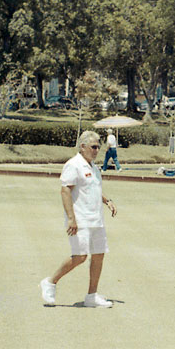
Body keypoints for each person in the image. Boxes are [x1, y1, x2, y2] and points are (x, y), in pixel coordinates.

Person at [41, 130, 117, 307]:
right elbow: (65, 190)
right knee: (80, 257)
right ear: (82, 147)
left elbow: (94, 189)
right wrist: (71, 219)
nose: (97, 150)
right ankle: (50, 282)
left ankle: (91, 296)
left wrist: (107, 201)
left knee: (98, 255)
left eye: (98, 147)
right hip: (80, 219)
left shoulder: (94, 167)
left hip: (96, 219)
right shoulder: (73, 165)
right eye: (93, 147)